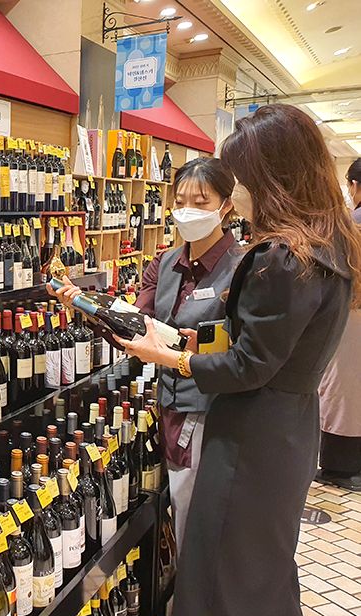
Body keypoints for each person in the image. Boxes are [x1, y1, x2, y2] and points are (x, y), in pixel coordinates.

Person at [51, 104, 361, 616]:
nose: (235, 192)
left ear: (269, 175)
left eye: (238, 178)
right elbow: (269, 347)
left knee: (223, 580)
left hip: (250, 436)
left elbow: (249, 365)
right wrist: (191, 340)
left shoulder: (278, 258)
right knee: (265, 578)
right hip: (289, 431)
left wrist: (170, 356)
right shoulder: (329, 247)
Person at [132, 158, 241, 549]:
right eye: (180, 202)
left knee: (200, 520)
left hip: (212, 412)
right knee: (179, 508)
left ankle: (195, 584)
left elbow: (245, 351)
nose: (188, 211)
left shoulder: (242, 269)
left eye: (201, 201)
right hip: (168, 404)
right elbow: (138, 323)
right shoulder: (165, 263)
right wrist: (87, 306)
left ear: (226, 206)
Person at [316, 157, 361, 490]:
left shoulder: (350, 226)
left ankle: (339, 466)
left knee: (342, 386)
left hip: (352, 311)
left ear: (355, 186)